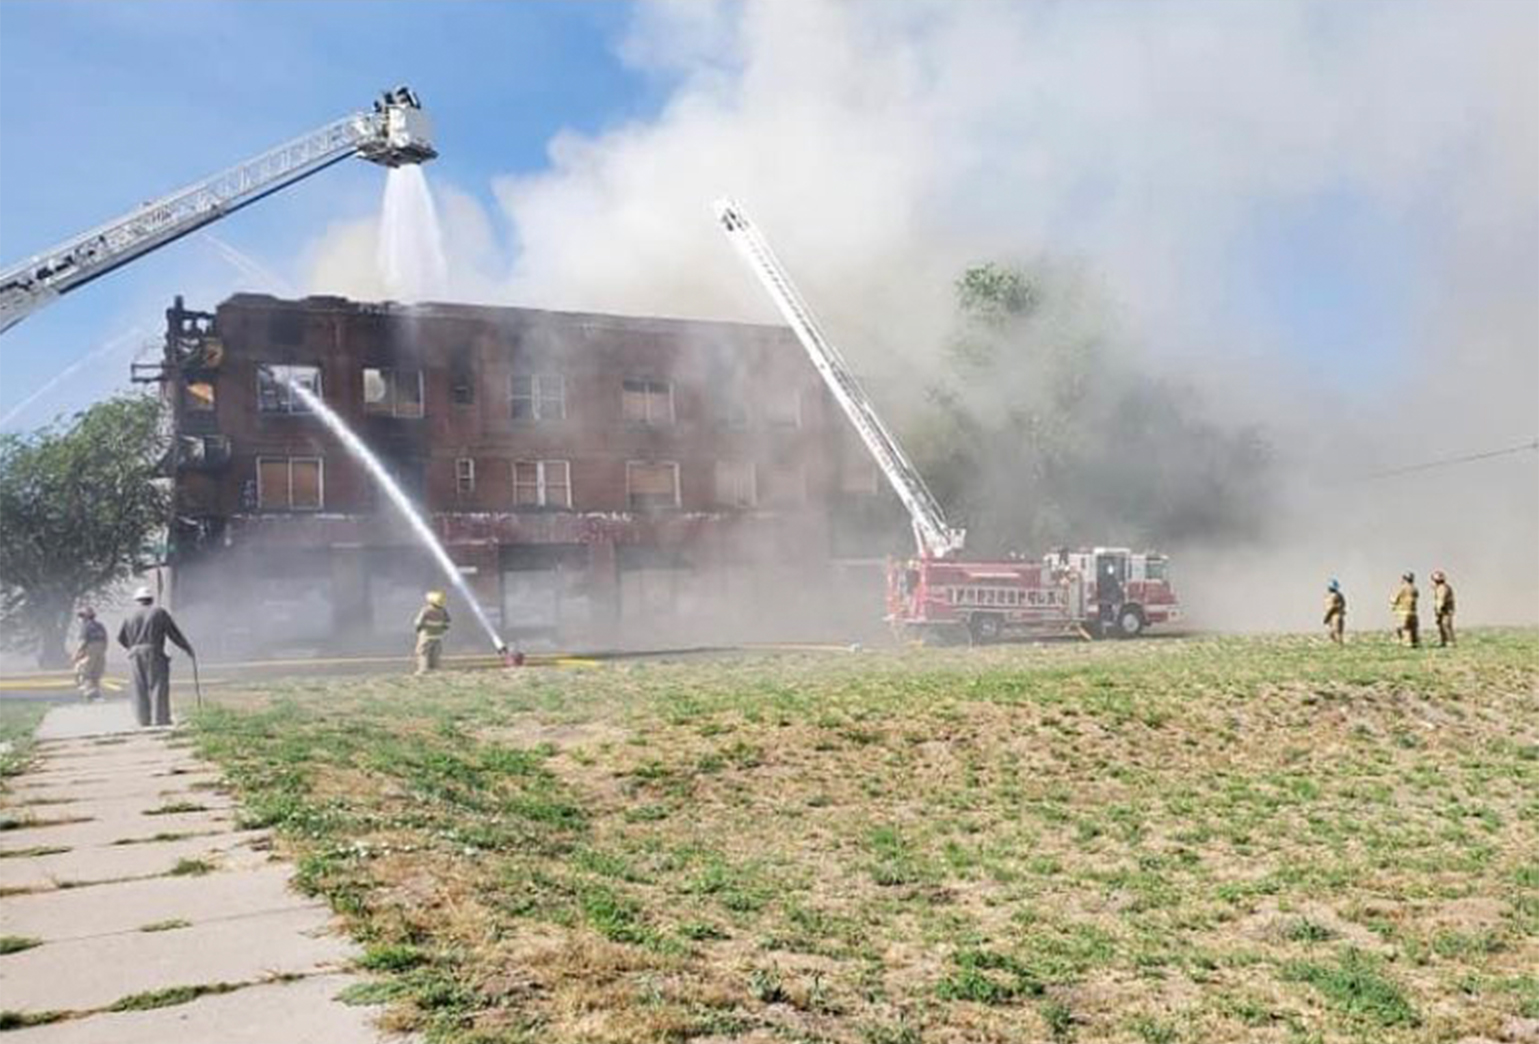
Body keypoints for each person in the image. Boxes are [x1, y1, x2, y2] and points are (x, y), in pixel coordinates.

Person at [116, 586, 194, 727]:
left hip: (134, 654)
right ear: (151, 599)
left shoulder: (129, 615)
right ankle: (160, 719)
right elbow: (173, 634)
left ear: (137, 600)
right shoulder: (159, 612)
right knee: (158, 686)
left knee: (139, 688)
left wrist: (133, 648)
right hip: (154, 652)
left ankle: (143, 720)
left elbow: (121, 638)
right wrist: (187, 648)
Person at [72, 607, 109, 700]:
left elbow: (83, 641)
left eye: (81, 616)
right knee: (96, 673)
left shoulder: (86, 626)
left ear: (85, 617)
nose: (79, 618)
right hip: (101, 651)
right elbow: (105, 640)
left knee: (85, 672)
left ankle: (89, 693)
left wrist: (76, 654)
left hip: (90, 651)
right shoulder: (100, 626)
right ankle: (97, 693)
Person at [413, 590, 451, 674]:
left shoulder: (426, 610)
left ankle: (423, 669)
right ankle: (435, 669)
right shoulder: (443, 611)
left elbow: (419, 622)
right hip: (437, 636)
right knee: (435, 654)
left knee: (423, 653)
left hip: (426, 636)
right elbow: (447, 624)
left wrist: (418, 629)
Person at [1391, 571, 1420, 648]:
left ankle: (1406, 644)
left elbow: (1394, 599)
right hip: (1413, 612)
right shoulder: (1415, 589)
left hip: (1403, 612)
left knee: (1404, 629)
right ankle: (1414, 644)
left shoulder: (1402, 589)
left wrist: (1393, 606)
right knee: (1413, 631)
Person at [1431, 569, 1456, 647]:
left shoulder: (1442, 588)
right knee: (1443, 626)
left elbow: (1440, 601)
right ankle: (1445, 642)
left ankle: (1449, 642)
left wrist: (1438, 611)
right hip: (1446, 610)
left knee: (1446, 626)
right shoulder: (1444, 587)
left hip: (1445, 611)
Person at [1323, 579, 1346, 645]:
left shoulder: (1335, 596)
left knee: (1336, 633)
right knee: (1333, 634)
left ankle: (1340, 647)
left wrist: (1327, 617)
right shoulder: (1333, 595)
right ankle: (1338, 646)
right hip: (1332, 616)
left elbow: (1333, 607)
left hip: (1335, 616)